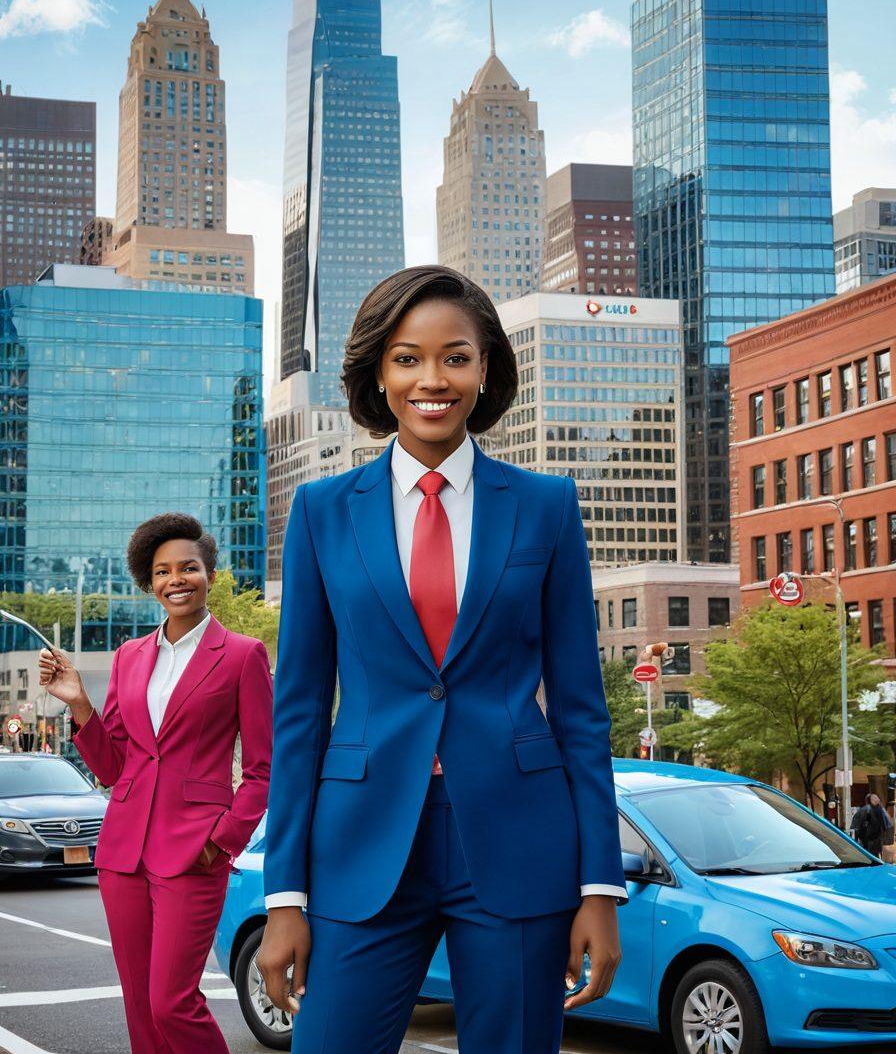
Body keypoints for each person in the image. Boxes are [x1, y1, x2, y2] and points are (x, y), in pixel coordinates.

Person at [259, 266, 626, 1054]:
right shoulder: (321, 512)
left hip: (517, 836)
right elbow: (299, 715)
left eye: (456, 357)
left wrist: (599, 885)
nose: (433, 379)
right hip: (362, 841)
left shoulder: (547, 506)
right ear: (378, 374)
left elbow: (581, 711)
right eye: (407, 359)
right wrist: (284, 893)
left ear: (485, 368)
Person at [39, 513, 273, 1054]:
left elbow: (263, 770)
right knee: (140, 1006)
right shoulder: (130, 656)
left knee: (173, 1003)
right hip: (124, 851)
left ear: (208, 573)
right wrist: (80, 703)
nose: (176, 580)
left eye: (188, 568)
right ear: (149, 582)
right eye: (163, 571)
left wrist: (221, 841)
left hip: (194, 850)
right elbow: (114, 767)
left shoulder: (243, 655)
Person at [853, 792, 890, 858]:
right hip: (876, 841)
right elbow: (886, 825)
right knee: (875, 857)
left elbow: (856, 827)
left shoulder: (863, 810)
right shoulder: (880, 810)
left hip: (867, 841)